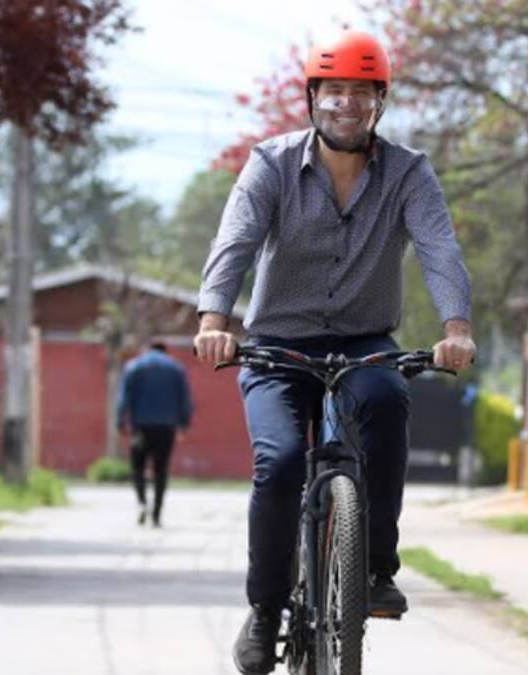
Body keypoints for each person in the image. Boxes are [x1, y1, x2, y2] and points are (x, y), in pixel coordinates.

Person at [191, 32, 477, 674]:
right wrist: (215, 320)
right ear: (313, 98)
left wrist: (456, 328)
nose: (346, 104)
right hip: (276, 344)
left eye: (361, 92)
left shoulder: (409, 172)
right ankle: (266, 611)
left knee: (385, 406)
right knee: (282, 459)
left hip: (364, 341)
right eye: (334, 91)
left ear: (380, 102)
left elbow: (438, 248)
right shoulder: (269, 165)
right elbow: (233, 244)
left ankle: (375, 568)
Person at [116, 340, 193, 528]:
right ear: (166, 351)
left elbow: (123, 398)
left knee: (137, 467)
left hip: (140, 426)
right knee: (161, 469)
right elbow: (185, 400)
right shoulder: (176, 369)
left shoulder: (133, 367)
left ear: (147, 349)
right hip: (166, 427)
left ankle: (142, 502)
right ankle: (157, 513)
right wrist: (183, 424)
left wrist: (120, 421)